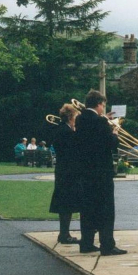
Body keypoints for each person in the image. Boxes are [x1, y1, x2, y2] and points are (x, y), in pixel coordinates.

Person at [75, 89, 126, 256]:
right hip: (101, 171)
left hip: (85, 170)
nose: (103, 109)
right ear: (98, 104)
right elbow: (110, 144)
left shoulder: (80, 119)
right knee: (106, 209)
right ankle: (107, 245)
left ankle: (87, 243)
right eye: (103, 106)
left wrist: (105, 120)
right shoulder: (100, 122)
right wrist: (115, 132)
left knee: (87, 208)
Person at [49, 104, 82, 244]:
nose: (76, 119)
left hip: (63, 170)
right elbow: (76, 149)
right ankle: (64, 234)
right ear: (70, 117)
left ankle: (64, 233)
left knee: (65, 204)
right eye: (75, 117)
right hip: (68, 172)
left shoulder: (61, 129)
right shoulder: (66, 131)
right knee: (66, 204)